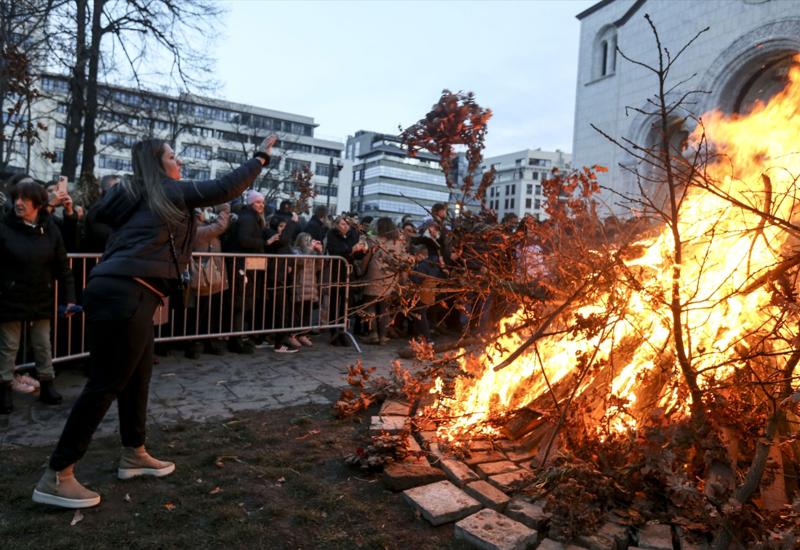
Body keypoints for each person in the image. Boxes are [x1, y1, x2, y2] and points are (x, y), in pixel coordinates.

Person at [32, 134, 277, 509]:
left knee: (137, 376)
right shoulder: (166, 190)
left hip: (123, 290)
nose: (179, 163)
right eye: (174, 156)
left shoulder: (139, 195)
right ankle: (57, 474)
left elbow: (98, 220)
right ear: (160, 164)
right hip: (125, 292)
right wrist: (261, 157)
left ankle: (134, 453)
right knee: (106, 383)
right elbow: (225, 187)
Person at [0, 178, 76, 413]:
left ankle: (47, 385)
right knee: (8, 346)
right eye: (16, 199)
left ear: (38, 204)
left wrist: (70, 297)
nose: (19, 203)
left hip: (41, 294)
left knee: (43, 344)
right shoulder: (4, 227)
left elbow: (63, 266)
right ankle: (4, 389)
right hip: (11, 295)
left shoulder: (50, 228)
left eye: (25, 199)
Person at [362, 217, 408, 345]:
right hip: (390, 275)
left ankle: (373, 334)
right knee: (384, 307)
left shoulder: (373, 240)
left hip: (374, 274)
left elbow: (364, 252)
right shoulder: (397, 243)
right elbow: (403, 260)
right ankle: (383, 336)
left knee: (370, 305)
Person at [325, 215, 367, 345]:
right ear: (337, 225)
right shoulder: (331, 234)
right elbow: (335, 250)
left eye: (347, 224)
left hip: (349, 272)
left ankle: (343, 330)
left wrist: (362, 250)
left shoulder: (353, 234)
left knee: (346, 302)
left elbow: (357, 255)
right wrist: (351, 249)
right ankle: (334, 332)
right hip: (336, 271)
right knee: (334, 302)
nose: (345, 226)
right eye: (342, 224)